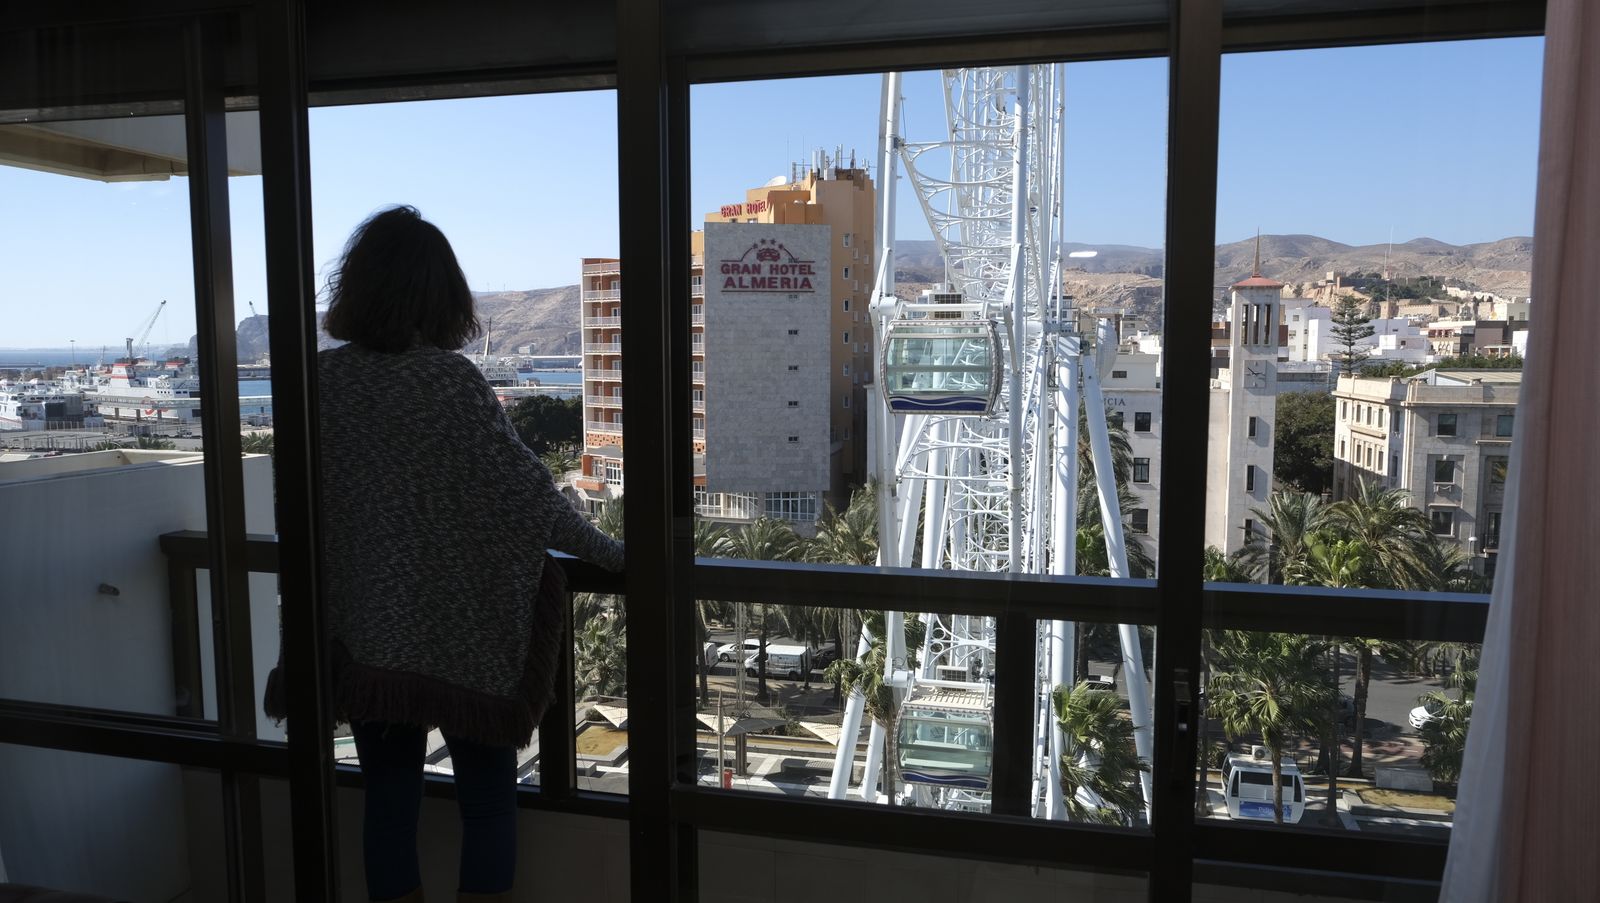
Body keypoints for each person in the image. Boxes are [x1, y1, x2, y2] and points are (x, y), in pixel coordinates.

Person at [265, 206, 623, 903]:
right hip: (465, 639)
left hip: (368, 635)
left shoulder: (319, 383)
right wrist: (612, 554)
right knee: (488, 803)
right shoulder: (450, 384)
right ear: (443, 295)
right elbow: (534, 503)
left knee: (388, 805)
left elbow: (297, 509)